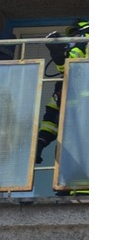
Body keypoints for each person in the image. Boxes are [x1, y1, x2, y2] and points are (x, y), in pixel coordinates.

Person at [35, 20, 89, 163]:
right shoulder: (62, 85)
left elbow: (73, 63)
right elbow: (51, 118)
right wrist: (41, 141)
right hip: (72, 150)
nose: (72, 45)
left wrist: (61, 59)